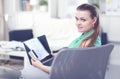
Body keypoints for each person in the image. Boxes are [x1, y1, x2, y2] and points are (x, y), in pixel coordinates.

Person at [31, 3, 101, 73]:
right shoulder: (90, 35)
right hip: (75, 71)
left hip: (65, 74)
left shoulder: (87, 42)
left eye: (83, 20)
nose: (78, 23)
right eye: (77, 19)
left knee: (31, 71)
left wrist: (40, 66)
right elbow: (74, 56)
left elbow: (64, 71)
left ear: (94, 20)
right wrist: (60, 55)